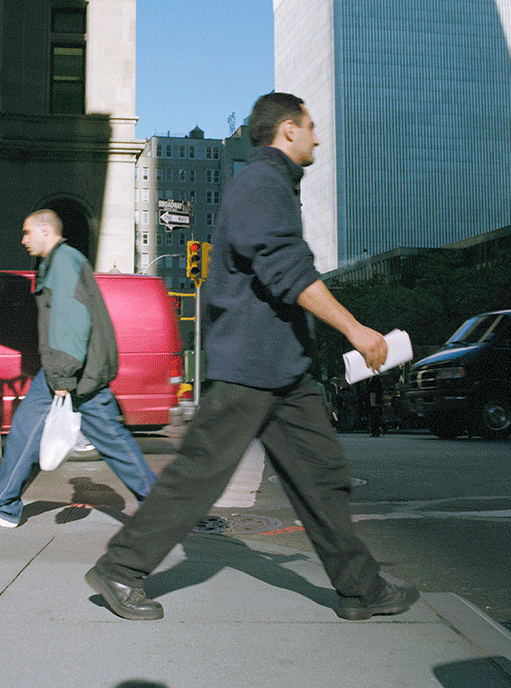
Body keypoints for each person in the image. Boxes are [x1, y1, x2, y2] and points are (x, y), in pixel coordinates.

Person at [84, 92, 416, 622]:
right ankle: (122, 569)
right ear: (287, 130)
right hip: (249, 365)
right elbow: (286, 271)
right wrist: (356, 329)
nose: (317, 137)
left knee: (321, 476)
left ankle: (361, 589)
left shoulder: (272, 185)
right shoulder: (261, 185)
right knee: (200, 474)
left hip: (282, 367)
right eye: (310, 126)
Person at [0, 210, 159, 529]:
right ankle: (158, 509)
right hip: (81, 370)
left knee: (27, 429)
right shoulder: (60, 261)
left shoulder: (63, 262)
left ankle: (3, 507)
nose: (23, 240)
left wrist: (62, 376)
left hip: (70, 371)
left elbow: (70, 318)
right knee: (113, 441)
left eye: (27, 232)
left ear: (45, 229)